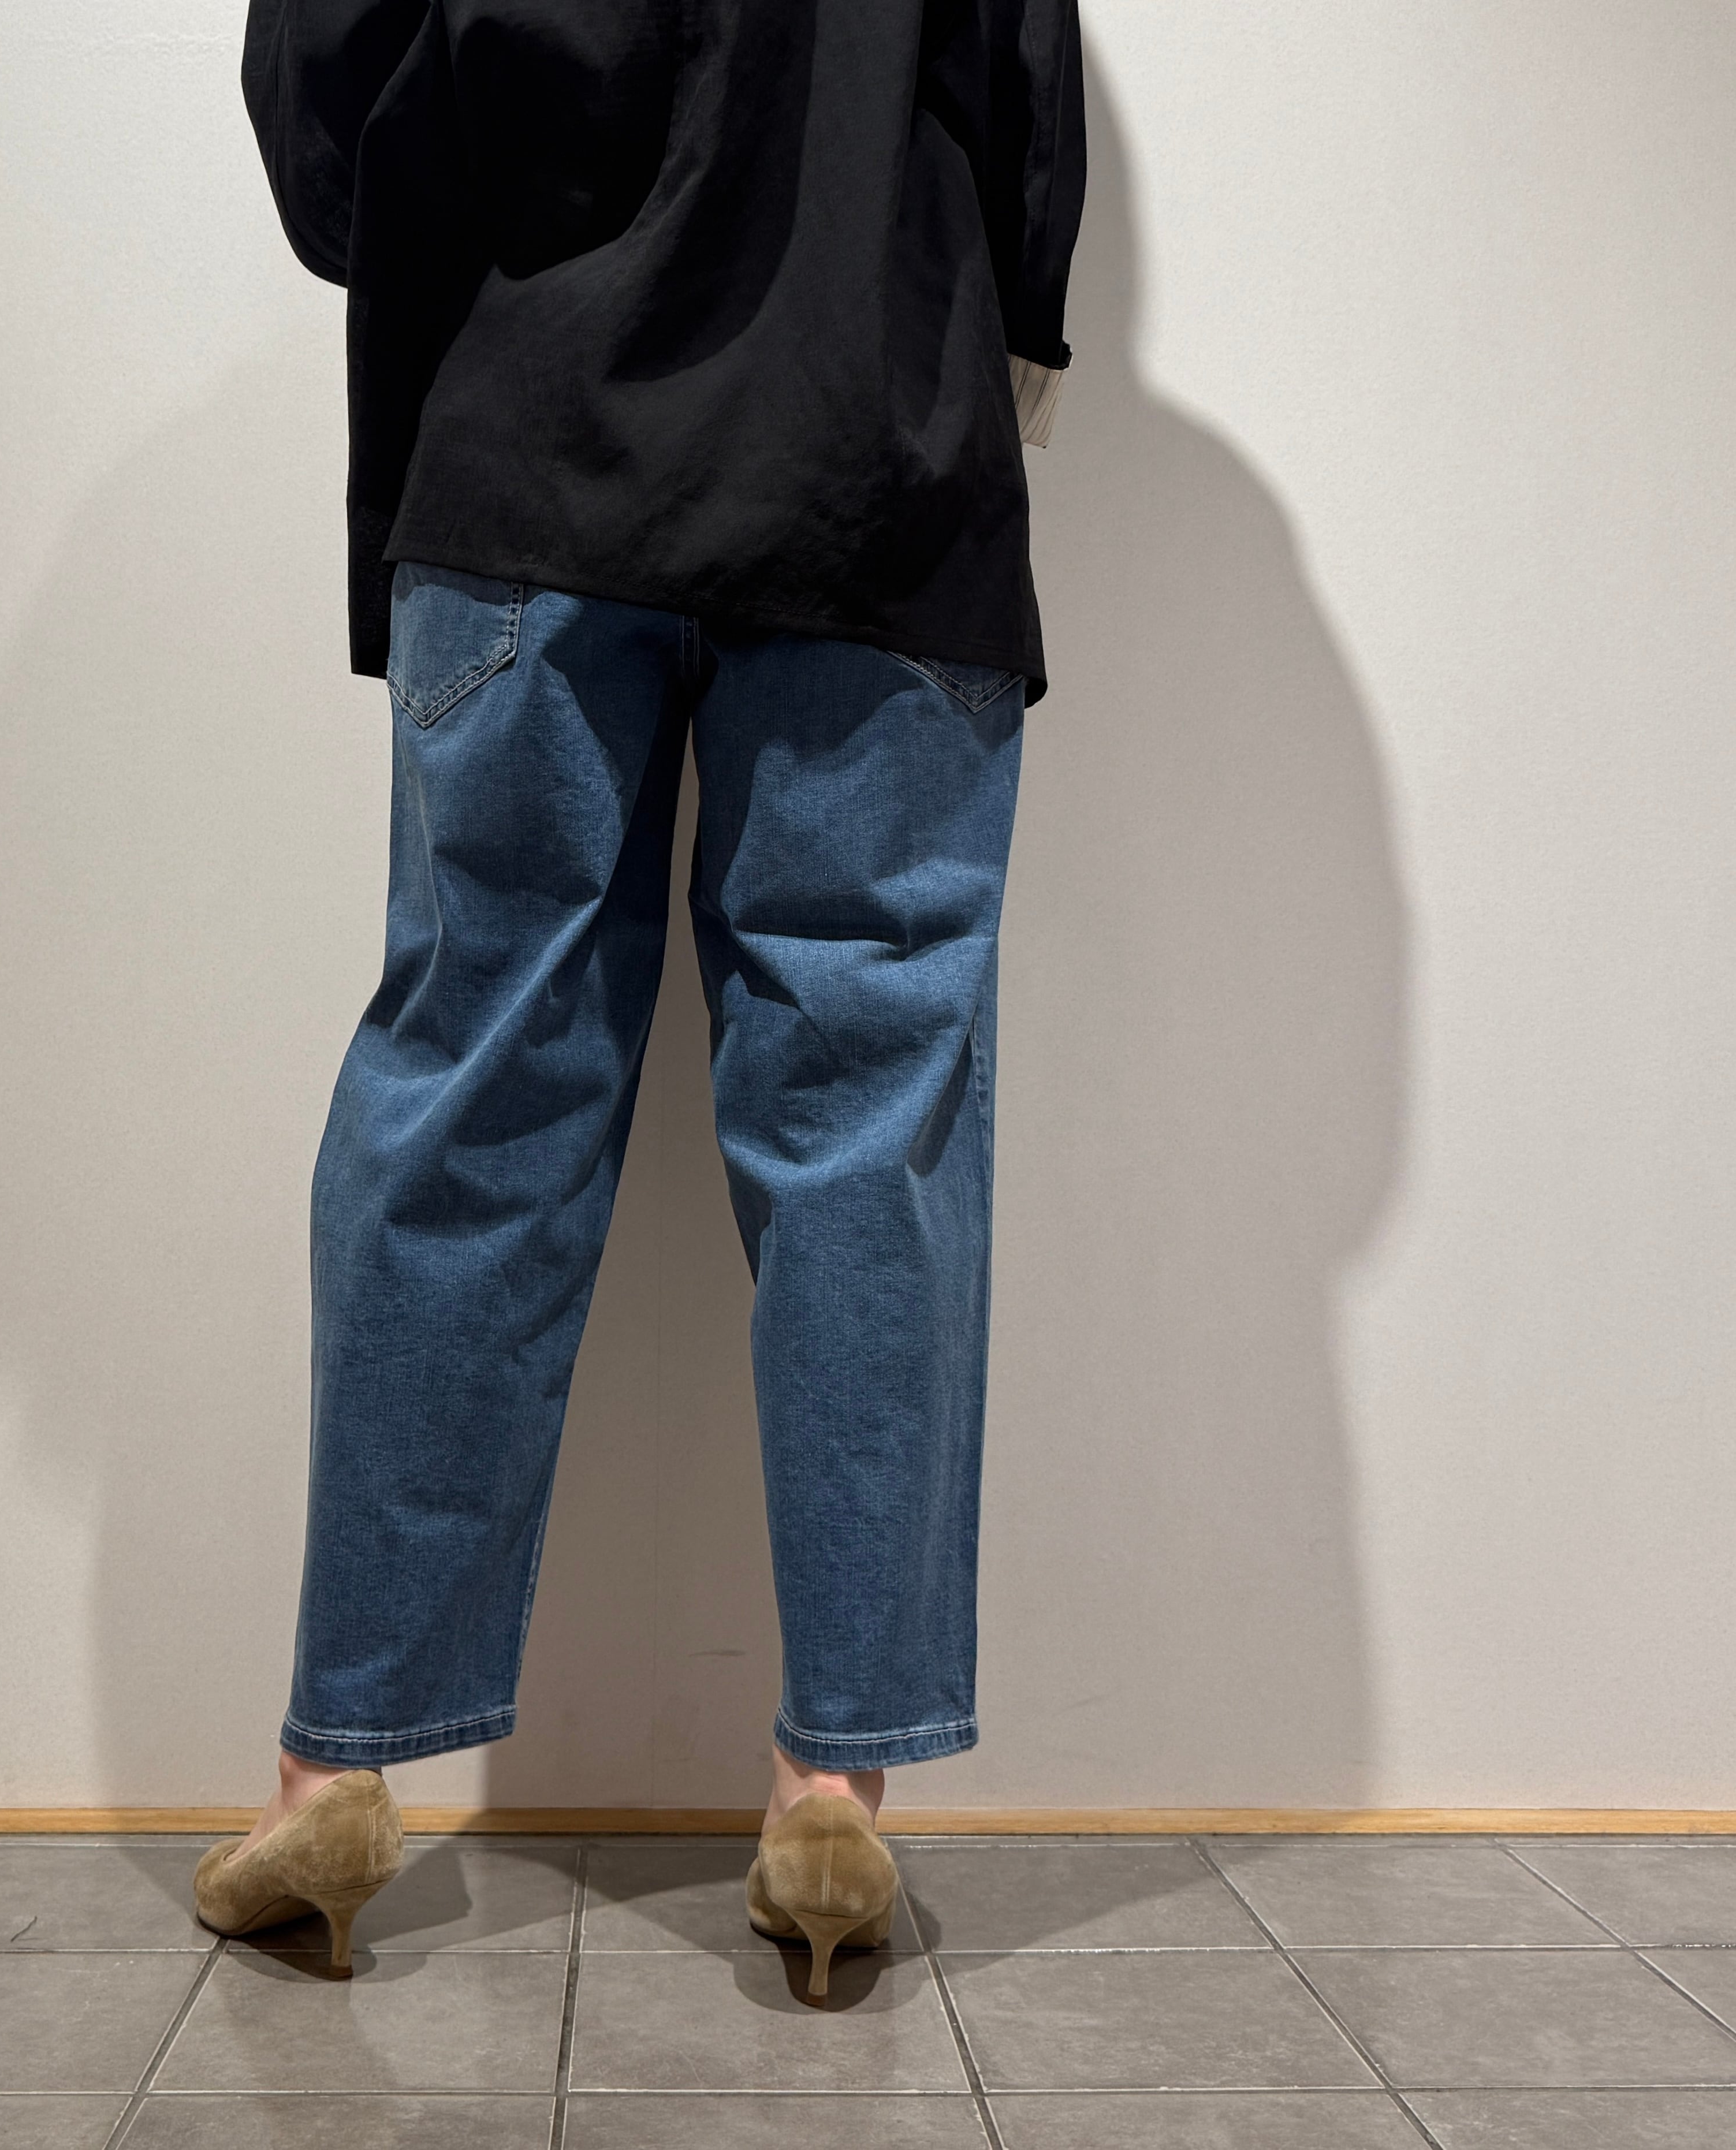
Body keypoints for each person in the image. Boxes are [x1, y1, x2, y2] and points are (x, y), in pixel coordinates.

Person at [193, 0, 1086, 2001]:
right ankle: (831, 1791)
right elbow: (1020, 88)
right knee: (869, 1112)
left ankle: (338, 1767)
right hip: (878, 455)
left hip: (527, 441)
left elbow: (319, 92)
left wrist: (473, 212)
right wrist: (999, 321)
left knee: (471, 1088)